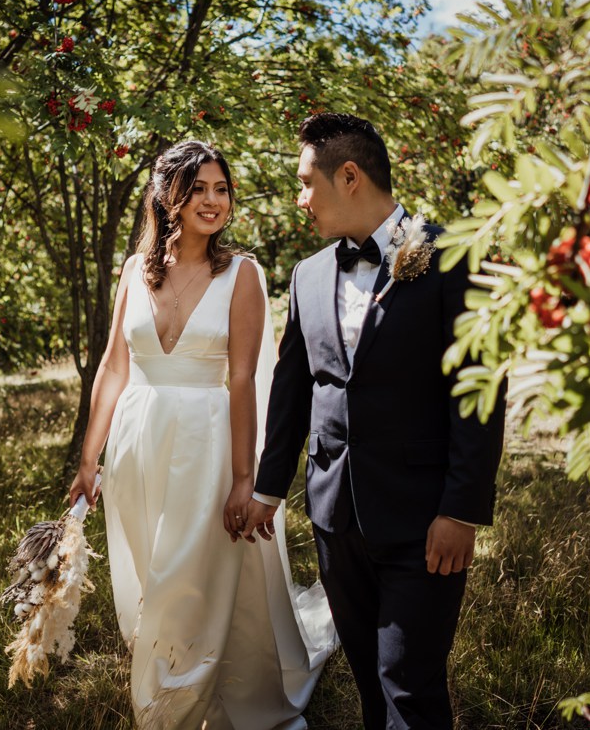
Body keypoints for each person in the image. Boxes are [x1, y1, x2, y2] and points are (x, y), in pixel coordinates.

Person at [242, 113, 507, 729]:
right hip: (334, 515)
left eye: (306, 183)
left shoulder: (452, 256)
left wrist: (462, 510)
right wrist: (267, 489)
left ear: (349, 176)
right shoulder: (307, 276)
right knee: (369, 681)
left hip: (423, 520)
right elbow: (291, 391)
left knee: (409, 688)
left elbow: (479, 392)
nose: (300, 199)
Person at [67, 140, 337, 730]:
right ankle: (169, 672)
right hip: (138, 442)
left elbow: (242, 379)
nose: (213, 201)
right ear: (168, 197)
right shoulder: (134, 270)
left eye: (221, 189)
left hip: (207, 445)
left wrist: (245, 478)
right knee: (152, 571)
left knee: (190, 573)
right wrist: (89, 460)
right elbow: (113, 367)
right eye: (198, 189)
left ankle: (175, 708)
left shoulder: (242, 275)